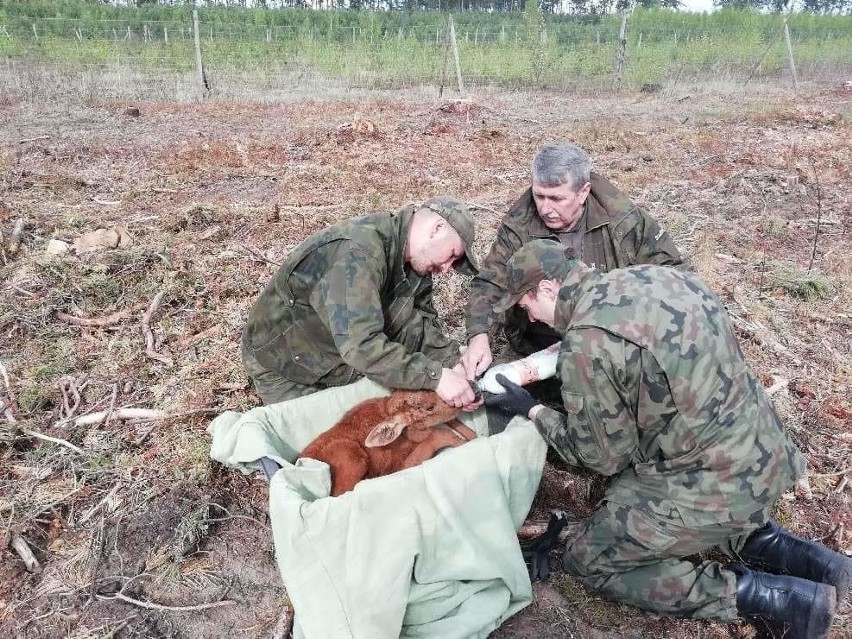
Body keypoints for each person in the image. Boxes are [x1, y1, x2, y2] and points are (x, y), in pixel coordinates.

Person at [485, 239, 850, 639]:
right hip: (765, 455)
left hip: (716, 482)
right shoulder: (656, 278)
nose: (530, 317)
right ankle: (818, 564)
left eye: (526, 305)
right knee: (717, 499)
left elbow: (601, 457)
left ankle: (774, 602)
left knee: (588, 559)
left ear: (548, 289)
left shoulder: (588, 343)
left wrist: (532, 409)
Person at [461, 142, 684, 381]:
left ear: (583, 192)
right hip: (540, 341)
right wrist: (479, 336)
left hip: (611, 340)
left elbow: (672, 274)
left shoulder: (623, 220)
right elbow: (490, 282)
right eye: (539, 196)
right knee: (496, 387)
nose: (545, 208)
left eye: (556, 198)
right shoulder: (520, 223)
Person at [241, 196, 480, 409]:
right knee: (334, 446)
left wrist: (452, 362)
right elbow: (360, 346)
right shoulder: (358, 254)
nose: (447, 269)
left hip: (343, 361)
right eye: (452, 255)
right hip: (289, 368)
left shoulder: (415, 262)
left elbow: (418, 326)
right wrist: (435, 377)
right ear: (437, 228)